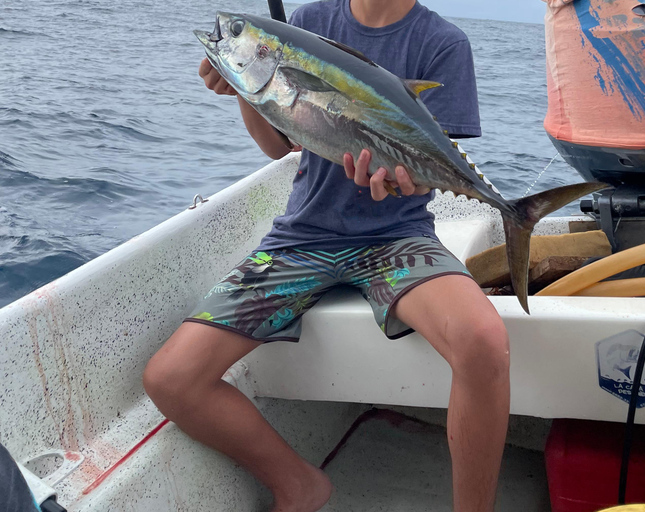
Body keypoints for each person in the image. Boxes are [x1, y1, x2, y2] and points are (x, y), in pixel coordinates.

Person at [143, 1, 511, 511]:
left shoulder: (442, 43)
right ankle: (297, 484)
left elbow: (423, 159)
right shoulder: (310, 21)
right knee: (171, 378)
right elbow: (280, 148)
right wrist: (244, 89)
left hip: (397, 239)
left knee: (484, 341)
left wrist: (398, 184)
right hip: (304, 240)